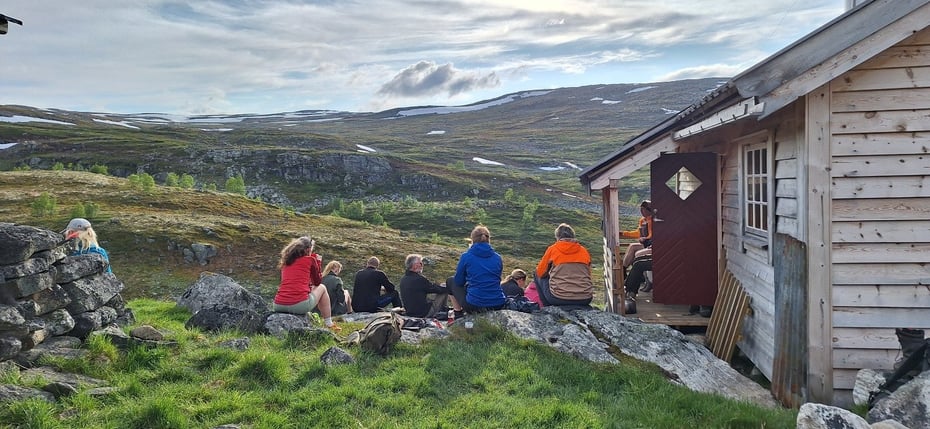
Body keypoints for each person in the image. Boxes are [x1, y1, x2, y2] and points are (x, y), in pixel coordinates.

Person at [273, 236, 340, 332]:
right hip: (299, 305)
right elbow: (317, 282)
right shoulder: (310, 260)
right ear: (308, 249)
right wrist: (318, 262)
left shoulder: (286, 262)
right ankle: (329, 323)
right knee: (322, 288)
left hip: (278, 304)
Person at [450, 225, 506, 316]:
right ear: (488, 239)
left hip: (475, 305)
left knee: (450, 281)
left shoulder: (466, 256)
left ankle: (458, 314)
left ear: (472, 240)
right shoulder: (498, 258)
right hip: (498, 303)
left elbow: (459, 282)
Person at [535, 223, 594, 307]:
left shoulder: (553, 249)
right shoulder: (584, 251)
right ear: (573, 236)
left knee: (537, 274)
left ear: (557, 237)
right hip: (585, 298)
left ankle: (547, 308)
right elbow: (588, 274)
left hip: (558, 298)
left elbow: (540, 273)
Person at [399, 253, 450, 318]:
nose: (422, 265)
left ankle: (442, 309)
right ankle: (442, 310)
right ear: (415, 266)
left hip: (410, 312)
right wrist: (448, 287)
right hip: (423, 313)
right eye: (420, 263)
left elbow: (429, 287)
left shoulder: (403, 279)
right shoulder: (419, 279)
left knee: (433, 294)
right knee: (444, 290)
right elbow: (437, 289)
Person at [620, 200, 657, 269]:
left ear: (649, 210)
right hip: (646, 243)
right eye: (641, 209)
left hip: (651, 244)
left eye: (643, 209)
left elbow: (652, 234)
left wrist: (645, 238)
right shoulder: (642, 220)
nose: (641, 211)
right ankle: (624, 269)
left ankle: (627, 269)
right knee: (631, 246)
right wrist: (624, 233)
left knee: (635, 250)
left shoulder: (654, 220)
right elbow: (638, 233)